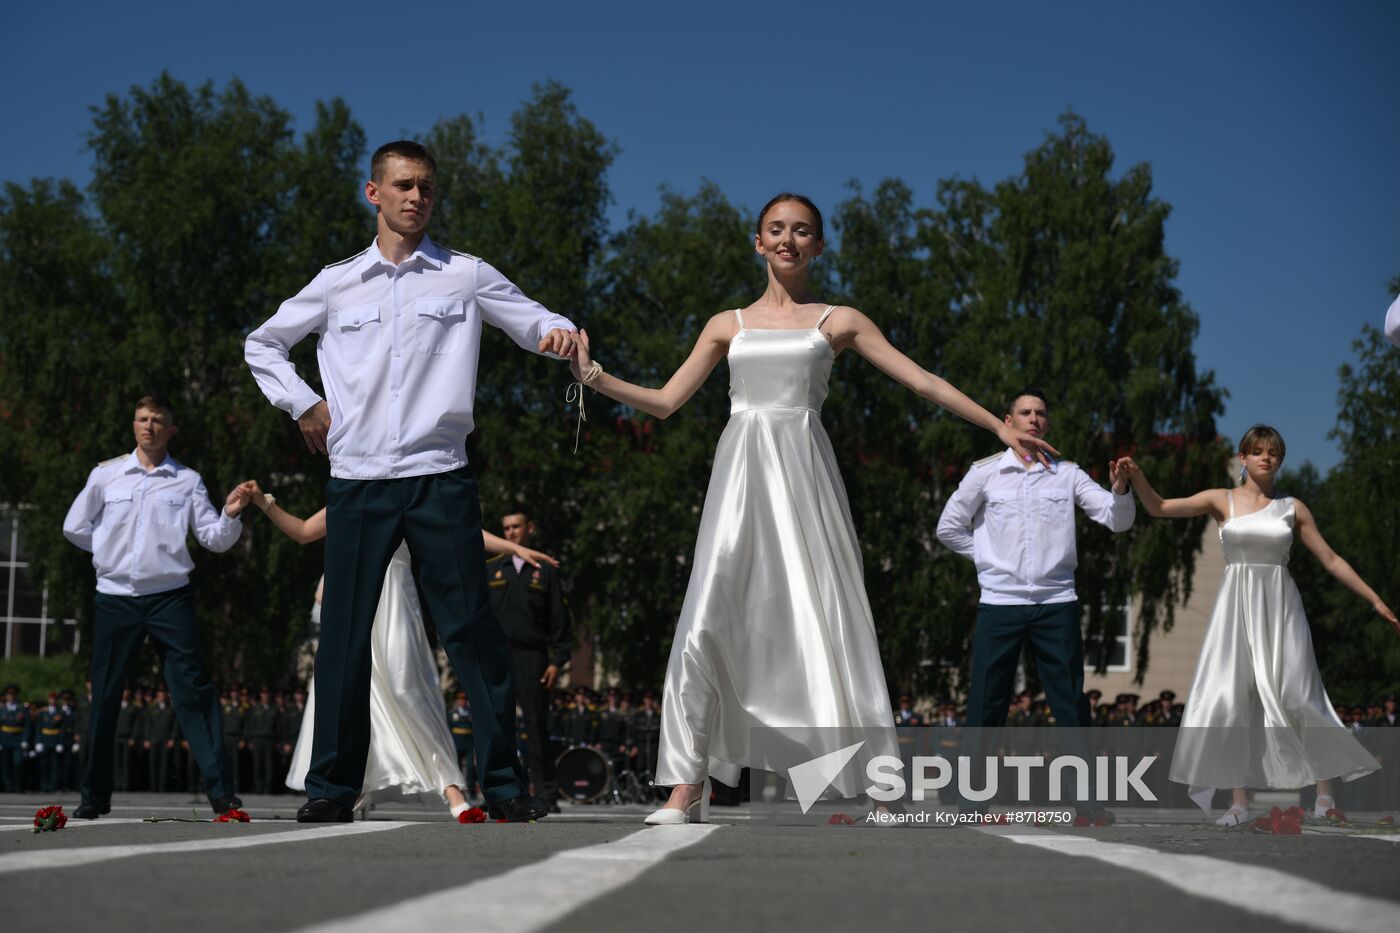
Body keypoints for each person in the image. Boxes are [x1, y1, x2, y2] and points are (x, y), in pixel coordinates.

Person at [567, 193, 1055, 825]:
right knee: (707, 617)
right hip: (739, 478)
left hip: (803, 475)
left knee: (829, 614)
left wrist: (998, 426)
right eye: (776, 230)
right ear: (758, 241)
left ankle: (881, 787)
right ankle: (686, 787)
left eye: (802, 232)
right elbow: (664, 402)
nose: (788, 240)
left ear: (818, 246)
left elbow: (922, 381)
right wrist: (591, 374)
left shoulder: (838, 320)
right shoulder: (727, 323)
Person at [244, 140, 575, 824]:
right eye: (403, 185)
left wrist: (559, 334)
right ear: (374, 193)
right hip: (359, 481)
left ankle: (507, 785)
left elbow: (534, 317)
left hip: (439, 477)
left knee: (473, 632)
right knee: (342, 635)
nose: (416, 197)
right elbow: (262, 342)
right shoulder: (338, 282)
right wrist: (302, 402)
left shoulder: (464, 274)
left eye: (426, 187)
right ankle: (332, 787)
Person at [1120, 425, 1398, 825]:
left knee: (1301, 696)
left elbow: (1331, 559)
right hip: (1235, 608)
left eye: (1274, 453)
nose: (1266, 457)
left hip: (1281, 607)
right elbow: (1159, 508)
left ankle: (1324, 793)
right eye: (1258, 451)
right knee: (1236, 700)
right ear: (1243, 457)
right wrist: (1137, 477)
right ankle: (1238, 802)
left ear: (1280, 461)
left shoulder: (1293, 508)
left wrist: (1375, 600)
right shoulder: (1222, 500)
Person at [239, 485, 559, 819]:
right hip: (361, 600)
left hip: (396, 609)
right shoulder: (359, 490)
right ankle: (349, 788)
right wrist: (263, 502)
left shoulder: (420, 483)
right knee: (356, 691)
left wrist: (513, 548)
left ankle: (451, 785)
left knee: (407, 689)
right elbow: (304, 531)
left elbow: (461, 531)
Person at [936, 389, 1133, 822]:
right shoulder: (985, 473)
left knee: (1070, 704)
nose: (1033, 419)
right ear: (1007, 420)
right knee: (987, 701)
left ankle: (1086, 803)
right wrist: (989, 558)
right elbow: (948, 528)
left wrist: (1119, 488)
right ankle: (972, 802)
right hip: (1000, 604)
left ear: (1049, 424)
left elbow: (1116, 520)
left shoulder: (1069, 475)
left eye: (1041, 413)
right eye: (1024, 412)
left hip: (1055, 601)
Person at [62, 394, 247, 818]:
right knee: (105, 696)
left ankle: (222, 795)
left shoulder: (187, 480)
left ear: (170, 430)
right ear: (133, 425)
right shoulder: (106, 476)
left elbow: (213, 538)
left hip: (169, 598)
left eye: (158, 421)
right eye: (142, 419)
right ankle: (94, 796)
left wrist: (232, 514)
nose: (149, 426)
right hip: (115, 597)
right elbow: (74, 526)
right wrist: (107, 553)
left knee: (193, 695)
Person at [488, 511, 573, 812]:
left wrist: (557, 662)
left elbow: (560, 620)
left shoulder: (545, 571)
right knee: (498, 727)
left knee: (537, 727)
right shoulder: (492, 568)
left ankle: (547, 794)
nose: (511, 533)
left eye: (516, 527)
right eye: (506, 528)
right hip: (498, 657)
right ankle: (504, 792)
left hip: (533, 658)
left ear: (530, 528)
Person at [1, 685, 28, 792]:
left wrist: (25, 739)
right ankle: (8, 785)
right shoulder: (2, 709)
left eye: (12, 695)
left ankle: (18, 785)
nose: (11, 697)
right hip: (4, 739)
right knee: (6, 764)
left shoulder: (21, 708)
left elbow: (27, 725)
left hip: (17, 739)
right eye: (9, 695)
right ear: (6, 696)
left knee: (18, 763)